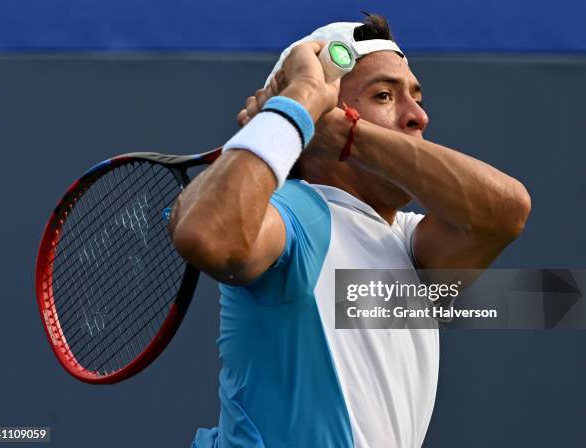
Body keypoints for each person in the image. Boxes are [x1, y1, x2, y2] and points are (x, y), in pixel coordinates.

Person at [169, 14, 531, 448]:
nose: (419, 116)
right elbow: (207, 235)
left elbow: (507, 211)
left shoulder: (410, 250)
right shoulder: (298, 215)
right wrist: (302, 98)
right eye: (384, 95)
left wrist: (345, 133)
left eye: (416, 97)